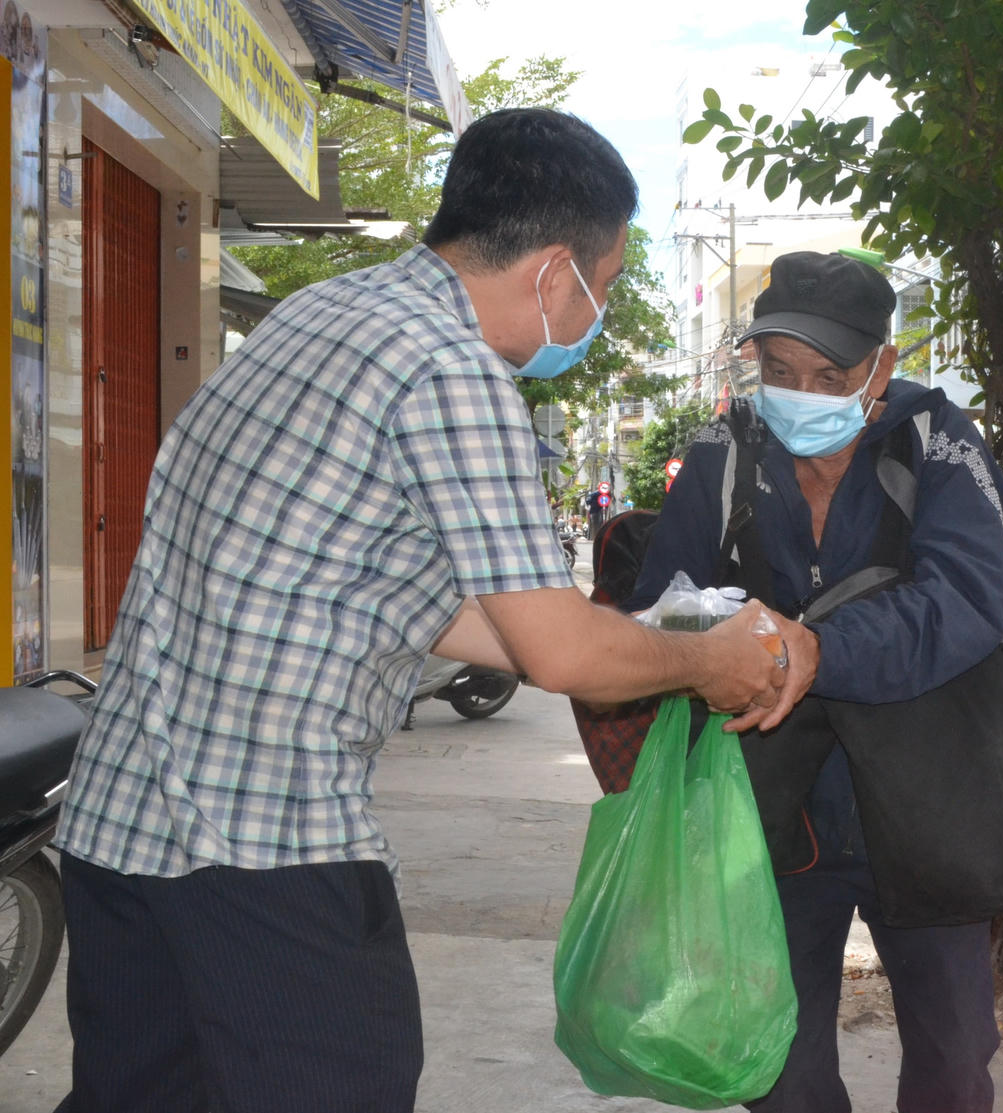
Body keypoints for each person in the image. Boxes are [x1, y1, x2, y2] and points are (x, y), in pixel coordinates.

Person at [51, 108, 797, 1113]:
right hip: (265, 844)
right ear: (551, 272)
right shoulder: (452, 371)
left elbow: (429, 608)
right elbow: (564, 653)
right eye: (606, 285)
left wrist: (671, 634)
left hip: (121, 830)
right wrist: (711, 663)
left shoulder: (323, 316)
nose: (597, 315)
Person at [624, 250, 1003, 1113]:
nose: (800, 390)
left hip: (923, 811)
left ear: (884, 364)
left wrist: (818, 647)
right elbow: (658, 606)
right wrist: (707, 636)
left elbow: (965, 601)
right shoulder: (723, 450)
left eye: (830, 373)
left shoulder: (940, 442)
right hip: (771, 812)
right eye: (778, 368)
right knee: (779, 1070)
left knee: (953, 1062)